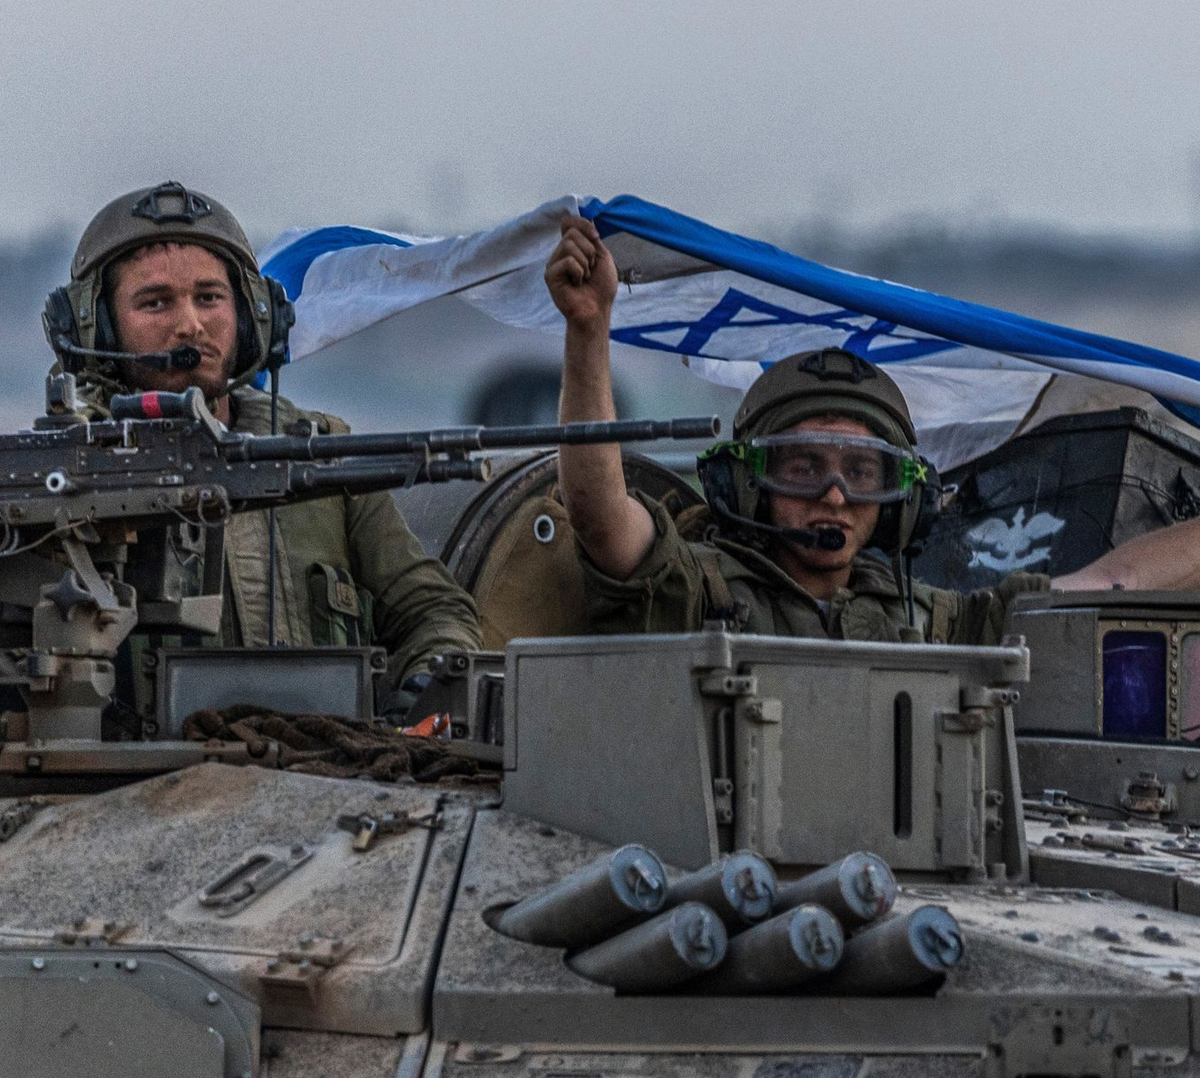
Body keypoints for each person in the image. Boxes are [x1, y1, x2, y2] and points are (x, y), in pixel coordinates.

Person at [545, 215, 1200, 645]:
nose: (835, 494)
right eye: (804, 467)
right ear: (751, 483)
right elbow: (600, 513)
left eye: (861, 472)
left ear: (900, 496)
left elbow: (1104, 586)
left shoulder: (926, 618)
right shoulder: (693, 589)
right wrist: (588, 330)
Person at [44, 180, 481, 708]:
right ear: (96, 330)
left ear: (254, 317)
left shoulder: (323, 456)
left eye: (209, 298)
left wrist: (421, 693)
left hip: (326, 775)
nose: (190, 325)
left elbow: (434, 612)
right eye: (155, 303)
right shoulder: (57, 477)